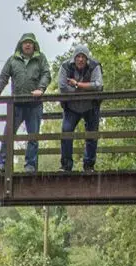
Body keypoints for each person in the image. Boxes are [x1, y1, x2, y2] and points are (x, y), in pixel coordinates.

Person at [0, 33, 49, 173]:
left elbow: (46, 74)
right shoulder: (13, 60)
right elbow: (4, 76)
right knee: (8, 134)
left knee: (33, 136)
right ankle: (3, 164)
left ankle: (30, 165)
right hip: (16, 105)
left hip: (34, 104)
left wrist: (41, 89)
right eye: (25, 42)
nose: (28, 45)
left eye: (30, 42)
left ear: (34, 45)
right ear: (21, 45)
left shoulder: (40, 58)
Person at [56, 43, 103, 172]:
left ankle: (89, 165)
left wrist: (77, 85)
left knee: (92, 135)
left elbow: (98, 85)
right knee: (66, 132)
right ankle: (66, 165)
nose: (80, 59)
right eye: (78, 56)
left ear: (87, 58)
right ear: (74, 58)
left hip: (90, 106)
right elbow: (62, 87)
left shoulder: (95, 66)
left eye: (83, 57)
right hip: (71, 107)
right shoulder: (65, 66)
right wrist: (87, 88)